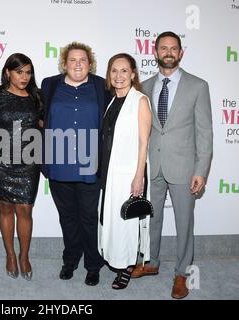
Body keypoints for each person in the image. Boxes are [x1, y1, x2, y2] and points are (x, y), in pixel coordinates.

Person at [131, 31, 213, 299]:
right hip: (153, 165)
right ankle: (151, 263)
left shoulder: (198, 86)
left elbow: (205, 132)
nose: (168, 52)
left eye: (173, 48)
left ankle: (182, 274)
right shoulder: (143, 85)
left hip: (184, 167)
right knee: (150, 218)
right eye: (163, 48)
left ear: (181, 53)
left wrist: (201, 170)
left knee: (184, 222)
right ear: (155, 53)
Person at [41, 42, 109, 286]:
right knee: (67, 217)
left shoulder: (102, 86)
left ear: (90, 64)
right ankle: (70, 260)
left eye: (83, 59)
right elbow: (41, 120)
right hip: (59, 163)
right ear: (64, 63)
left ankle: (93, 264)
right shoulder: (50, 85)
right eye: (72, 60)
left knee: (89, 218)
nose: (78, 64)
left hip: (90, 164)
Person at [98, 53, 152, 290]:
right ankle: (116, 259)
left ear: (133, 74)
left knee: (126, 222)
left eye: (123, 71)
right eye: (113, 71)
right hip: (109, 170)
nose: (118, 76)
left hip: (129, 172)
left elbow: (144, 142)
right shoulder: (112, 100)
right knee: (112, 219)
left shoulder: (139, 100)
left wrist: (139, 175)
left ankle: (127, 267)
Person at [0, 53, 43, 281]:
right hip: (1, 160)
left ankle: (24, 256)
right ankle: (10, 255)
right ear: (8, 72)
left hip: (29, 161)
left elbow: (44, 125)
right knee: (6, 209)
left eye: (28, 72)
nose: (24, 77)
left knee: (25, 210)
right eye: (19, 72)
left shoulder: (37, 97)